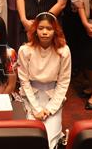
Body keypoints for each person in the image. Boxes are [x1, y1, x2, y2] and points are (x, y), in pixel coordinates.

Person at [17, 12, 71, 149]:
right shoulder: (25, 50)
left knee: (50, 140)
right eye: (41, 28)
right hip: (30, 97)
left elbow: (64, 82)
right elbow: (24, 81)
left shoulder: (64, 51)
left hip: (52, 99)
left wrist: (50, 109)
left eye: (49, 28)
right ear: (35, 29)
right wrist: (36, 108)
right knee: (31, 137)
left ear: (55, 30)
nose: (45, 32)